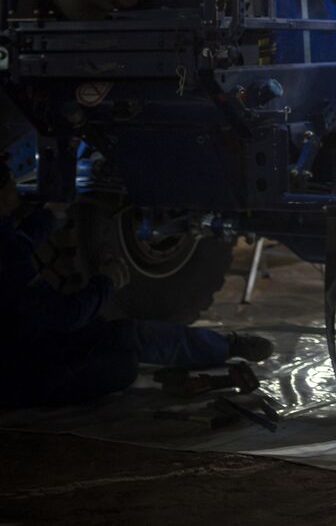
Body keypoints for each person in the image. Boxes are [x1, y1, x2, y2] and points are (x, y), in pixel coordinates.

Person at [0, 163, 273, 408]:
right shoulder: (8, 253)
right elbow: (66, 315)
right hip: (21, 374)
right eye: (8, 179)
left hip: (25, 344)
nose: (14, 184)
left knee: (128, 334)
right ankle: (223, 348)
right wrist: (107, 281)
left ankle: (225, 346)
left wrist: (50, 216)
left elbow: (20, 242)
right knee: (122, 364)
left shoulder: (8, 240)